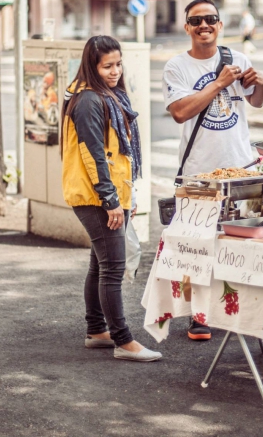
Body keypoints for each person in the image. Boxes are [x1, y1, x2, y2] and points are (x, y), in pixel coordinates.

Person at [163, 0, 263, 340]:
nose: (204, 25)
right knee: (197, 247)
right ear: (187, 27)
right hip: (198, 172)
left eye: (210, 19)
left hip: (241, 168)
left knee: (241, 245)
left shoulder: (238, 59)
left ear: (220, 25)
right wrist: (219, 83)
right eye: (196, 21)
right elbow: (181, 111)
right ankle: (199, 315)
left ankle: (237, 310)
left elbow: (256, 100)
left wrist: (261, 83)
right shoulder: (177, 67)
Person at [61, 35, 162, 362]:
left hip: (100, 193)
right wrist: (111, 201)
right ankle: (123, 341)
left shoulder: (100, 94)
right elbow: (94, 156)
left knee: (100, 264)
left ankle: (96, 331)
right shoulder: (90, 99)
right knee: (113, 269)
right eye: (107, 66)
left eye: (118, 64)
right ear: (92, 66)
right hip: (96, 196)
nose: (115, 71)